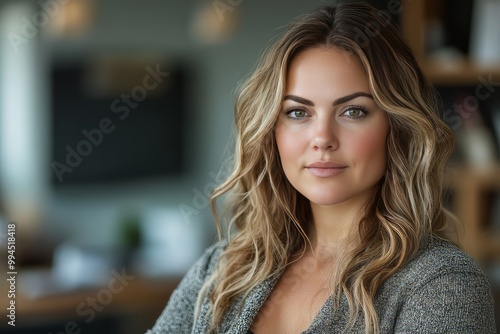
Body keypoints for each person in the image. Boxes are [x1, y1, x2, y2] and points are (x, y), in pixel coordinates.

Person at [147, 2, 496, 333]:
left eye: (353, 111)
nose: (322, 138)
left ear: (398, 128)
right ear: (272, 130)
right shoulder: (225, 268)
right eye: (298, 112)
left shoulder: (442, 284)